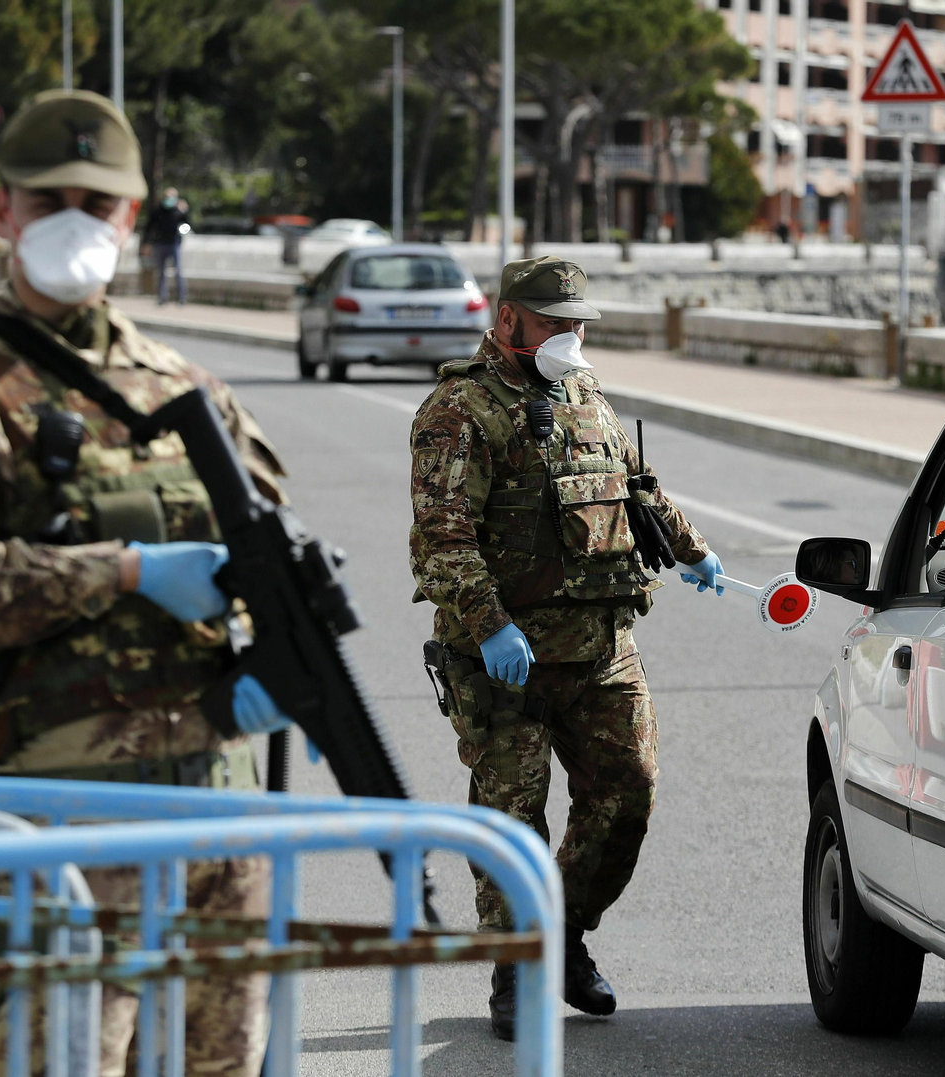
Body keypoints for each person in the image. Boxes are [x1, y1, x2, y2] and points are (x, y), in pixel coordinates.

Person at [0, 90, 293, 1076]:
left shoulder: (190, 391)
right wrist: (130, 570)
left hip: (217, 817)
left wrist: (275, 654)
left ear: (132, 219)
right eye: (47, 198)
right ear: (1, 211)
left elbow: (262, 562)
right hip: (62, 821)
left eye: (96, 204)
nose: (74, 220)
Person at [409, 255, 726, 1040]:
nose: (569, 336)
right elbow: (441, 538)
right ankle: (517, 965)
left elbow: (635, 483)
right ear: (507, 318)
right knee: (513, 819)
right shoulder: (461, 407)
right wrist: (489, 624)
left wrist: (691, 549)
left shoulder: (583, 391)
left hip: (600, 644)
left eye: (577, 322)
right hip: (503, 657)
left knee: (629, 791)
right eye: (552, 322)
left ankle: (564, 930)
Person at [142, 186, 190, 305]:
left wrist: (185, 212)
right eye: (167, 197)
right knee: (161, 272)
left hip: (174, 243)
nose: (169, 199)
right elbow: (149, 227)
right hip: (160, 244)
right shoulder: (157, 211)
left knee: (178, 271)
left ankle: (181, 297)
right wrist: (146, 243)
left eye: (171, 197)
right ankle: (162, 297)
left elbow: (187, 226)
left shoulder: (179, 211)